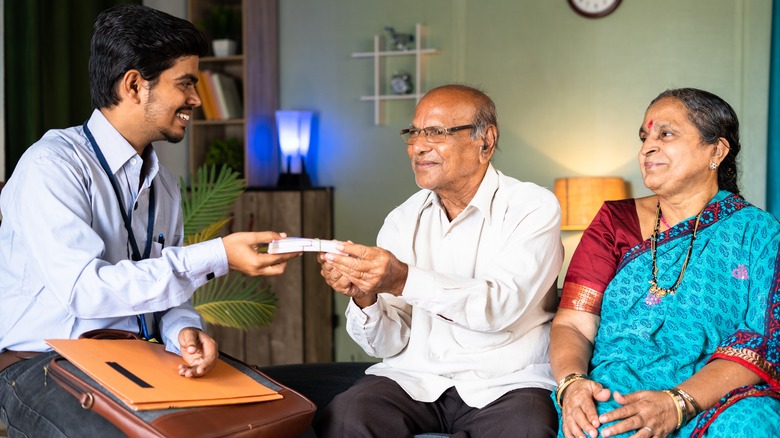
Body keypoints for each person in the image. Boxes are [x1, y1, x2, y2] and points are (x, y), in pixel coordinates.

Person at [0, 5, 299, 436]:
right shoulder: (51, 166)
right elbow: (86, 292)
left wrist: (183, 331)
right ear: (135, 85)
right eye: (185, 84)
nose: (195, 99)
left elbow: (163, 294)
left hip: (136, 358)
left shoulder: (164, 185)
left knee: (261, 421)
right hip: (39, 364)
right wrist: (218, 255)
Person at [316, 84, 564, 437]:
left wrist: (402, 279)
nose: (417, 146)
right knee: (345, 415)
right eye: (414, 133)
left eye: (436, 132)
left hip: (507, 383)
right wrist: (365, 295)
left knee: (526, 430)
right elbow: (388, 344)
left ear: (486, 141)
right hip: (415, 379)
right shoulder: (401, 220)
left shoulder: (533, 208)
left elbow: (498, 306)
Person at [550, 88, 780, 438]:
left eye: (665, 134)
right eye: (644, 138)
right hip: (617, 387)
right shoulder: (615, 223)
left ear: (716, 150)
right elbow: (574, 325)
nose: (647, 148)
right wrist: (573, 383)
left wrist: (679, 402)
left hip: (717, 395)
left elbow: (762, 342)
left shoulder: (759, 233)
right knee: (600, 424)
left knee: (753, 425)